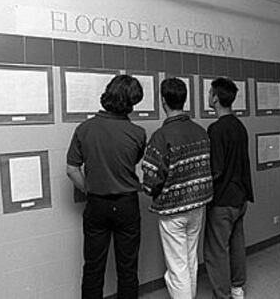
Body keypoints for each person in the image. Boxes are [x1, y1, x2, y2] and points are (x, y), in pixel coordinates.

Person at [66, 75, 146, 299]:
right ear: (129, 102)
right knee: (128, 270)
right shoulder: (138, 133)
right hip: (127, 205)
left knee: (93, 268)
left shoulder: (84, 129)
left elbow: (72, 169)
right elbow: (135, 163)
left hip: (96, 204)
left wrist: (89, 189)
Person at [142, 77, 213, 299]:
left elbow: (151, 179)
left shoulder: (161, 137)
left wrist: (145, 186)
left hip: (172, 211)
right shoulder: (201, 131)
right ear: (184, 99)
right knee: (190, 259)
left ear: (163, 101)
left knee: (177, 266)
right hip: (198, 206)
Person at [203, 77, 254, 299]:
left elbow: (216, 169)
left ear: (215, 98)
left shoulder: (216, 129)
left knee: (216, 250)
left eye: (209, 92)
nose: (208, 96)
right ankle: (237, 287)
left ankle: (222, 294)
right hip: (240, 197)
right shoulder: (238, 125)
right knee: (236, 243)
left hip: (222, 200)